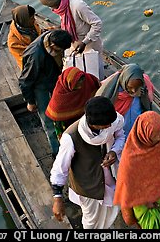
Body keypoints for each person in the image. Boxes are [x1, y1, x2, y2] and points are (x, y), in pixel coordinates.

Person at [50, 96, 125, 229]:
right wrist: (57, 198)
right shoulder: (71, 137)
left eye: (110, 123)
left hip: (109, 178)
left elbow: (120, 136)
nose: (109, 126)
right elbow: (60, 168)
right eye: (105, 125)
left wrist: (114, 151)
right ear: (92, 123)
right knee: (91, 220)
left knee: (111, 211)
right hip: (88, 187)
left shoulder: (113, 121)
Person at [18, 29, 73, 157]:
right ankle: (57, 151)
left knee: (61, 111)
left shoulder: (51, 37)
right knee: (48, 119)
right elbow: (25, 81)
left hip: (52, 79)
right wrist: (30, 102)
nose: (60, 53)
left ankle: (65, 139)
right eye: (59, 50)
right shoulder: (36, 56)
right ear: (53, 46)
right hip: (40, 86)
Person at [39, 0, 105, 78]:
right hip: (73, 43)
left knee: (95, 75)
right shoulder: (61, 8)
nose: (51, 9)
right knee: (76, 74)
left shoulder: (78, 6)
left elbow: (97, 24)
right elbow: (68, 24)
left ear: (56, 2)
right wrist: (57, 28)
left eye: (51, 6)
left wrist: (84, 43)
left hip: (89, 44)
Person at [95, 63, 155, 138]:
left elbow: (147, 104)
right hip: (117, 131)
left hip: (135, 127)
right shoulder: (112, 91)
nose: (133, 90)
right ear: (124, 81)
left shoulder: (143, 88)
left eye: (137, 87)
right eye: (130, 87)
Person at [46, 66, 101, 142]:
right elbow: (58, 121)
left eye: (81, 83)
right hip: (68, 124)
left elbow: (97, 86)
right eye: (76, 85)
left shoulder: (87, 79)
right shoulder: (60, 98)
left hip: (86, 119)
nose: (80, 87)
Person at [7, 4, 42, 69]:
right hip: (31, 65)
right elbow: (27, 58)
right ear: (25, 20)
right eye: (32, 18)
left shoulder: (29, 24)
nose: (34, 20)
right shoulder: (13, 43)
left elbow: (40, 33)